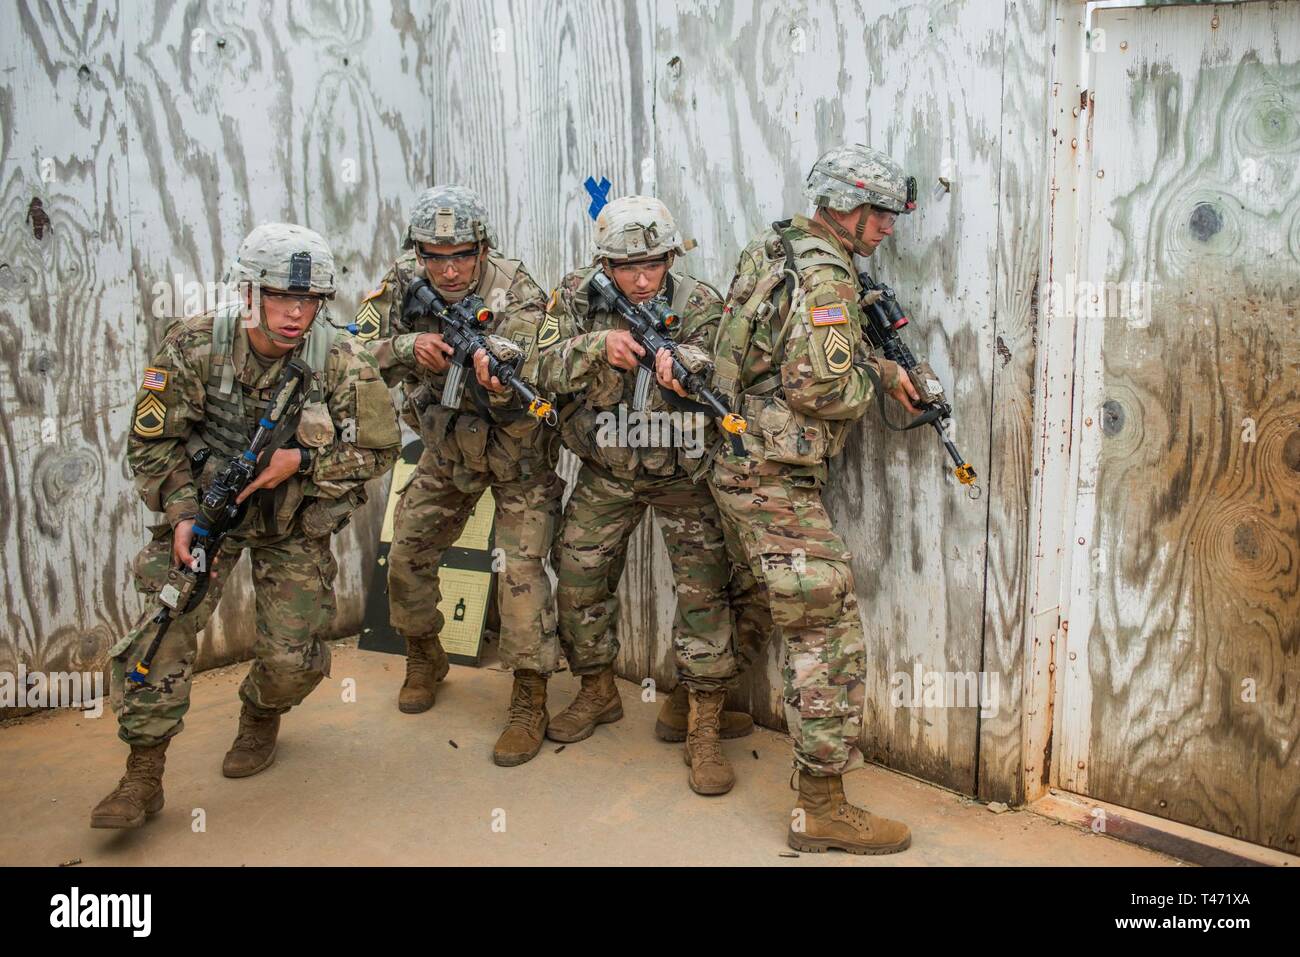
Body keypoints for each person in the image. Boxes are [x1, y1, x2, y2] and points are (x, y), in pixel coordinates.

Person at [92, 223, 400, 828]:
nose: (296, 314)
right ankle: (142, 775)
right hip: (210, 514)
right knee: (164, 632)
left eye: (309, 301)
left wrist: (302, 461)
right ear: (249, 292)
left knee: (291, 658)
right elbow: (153, 445)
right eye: (282, 297)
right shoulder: (194, 346)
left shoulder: (340, 358)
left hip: (291, 522)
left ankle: (261, 716)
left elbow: (379, 452)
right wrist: (182, 513)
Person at [708, 145, 922, 852]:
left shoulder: (778, 244)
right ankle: (821, 805)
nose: (888, 228)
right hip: (769, 473)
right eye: (880, 214)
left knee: (752, 593)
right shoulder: (826, 276)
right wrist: (879, 375)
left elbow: (766, 353)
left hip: (737, 459)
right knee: (825, 625)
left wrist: (876, 364)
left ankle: (697, 713)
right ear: (843, 206)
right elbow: (820, 388)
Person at [536, 195, 765, 795]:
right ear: (603, 265)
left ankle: (703, 723)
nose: (641, 280)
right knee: (578, 576)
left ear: (671, 257)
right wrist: (596, 347)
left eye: (654, 265)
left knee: (705, 594)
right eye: (626, 268)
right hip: (608, 467)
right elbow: (537, 366)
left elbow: (731, 378)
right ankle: (596, 691)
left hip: (682, 474)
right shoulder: (579, 299)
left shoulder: (702, 304)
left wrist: (691, 370)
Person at [360, 185, 564, 767]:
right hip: (448, 447)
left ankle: (529, 696)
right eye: (434, 256)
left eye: (461, 256)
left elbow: (546, 367)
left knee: (520, 573)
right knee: (407, 555)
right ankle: (425, 652)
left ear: (482, 247)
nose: (447, 270)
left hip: (516, 451)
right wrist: (407, 346)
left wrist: (502, 382)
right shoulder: (403, 280)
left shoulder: (517, 288)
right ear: (418, 252)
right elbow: (353, 349)